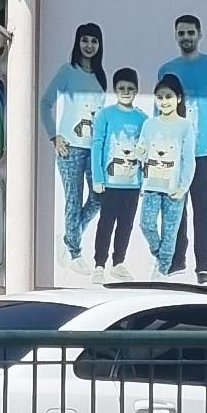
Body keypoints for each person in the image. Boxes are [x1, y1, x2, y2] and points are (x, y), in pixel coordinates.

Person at [161, 12, 207, 282]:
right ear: (175, 36)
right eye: (181, 33)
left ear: (199, 35)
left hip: (203, 154)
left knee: (204, 212)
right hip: (175, 154)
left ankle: (204, 266)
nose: (186, 37)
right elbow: (160, 110)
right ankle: (175, 261)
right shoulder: (167, 70)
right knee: (174, 209)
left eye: (190, 33)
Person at [44, 24, 107, 263]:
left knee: (99, 196)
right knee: (73, 198)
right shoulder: (67, 71)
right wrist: (54, 135)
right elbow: (45, 103)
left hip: (94, 148)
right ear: (78, 42)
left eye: (94, 41)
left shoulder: (100, 76)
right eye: (85, 40)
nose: (89, 45)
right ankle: (74, 252)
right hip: (70, 147)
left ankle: (70, 237)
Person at [136, 76, 199, 274]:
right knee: (146, 224)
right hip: (151, 186)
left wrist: (183, 187)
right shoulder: (149, 124)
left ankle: (162, 272)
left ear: (178, 98)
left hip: (174, 188)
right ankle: (160, 255)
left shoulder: (185, 126)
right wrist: (140, 153)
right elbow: (142, 154)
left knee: (170, 233)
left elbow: (189, 159)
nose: (164, 101)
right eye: (160, 97)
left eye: (168, 97)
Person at [88, 66, 149, 271]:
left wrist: (144, 182)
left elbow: (146, 151)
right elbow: (97, 145)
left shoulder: (143, 119)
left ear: (136, 90)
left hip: (133, 183)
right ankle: (99, 263)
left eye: (130, 88)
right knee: (106, 223)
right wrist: (98, 178)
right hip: (110, 183)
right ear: (115, 89)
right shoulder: (105, 115)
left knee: (126, 225)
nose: (126, 92)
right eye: (121, 88)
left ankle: (118, 262)